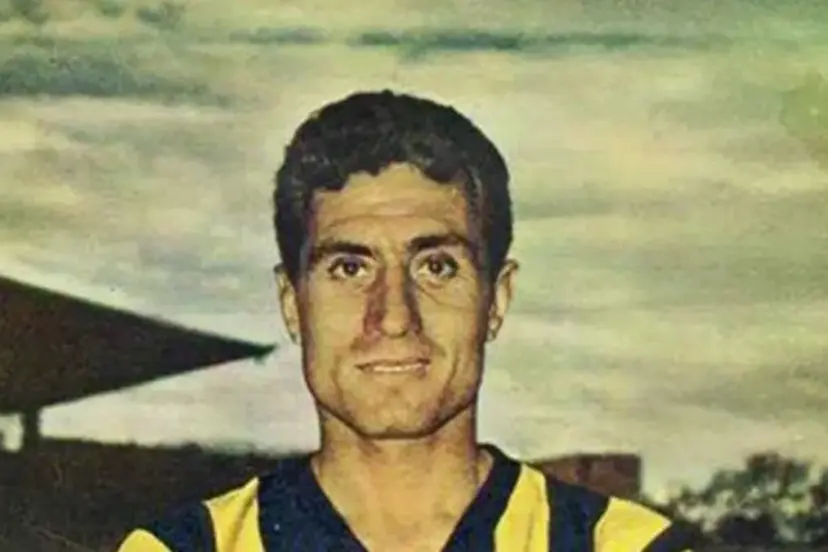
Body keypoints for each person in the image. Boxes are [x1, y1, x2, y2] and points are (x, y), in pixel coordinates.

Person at [117, 90, 697, 551]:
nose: (393, 316)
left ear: (496, 300)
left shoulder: (625, 547)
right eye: (349, 268)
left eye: (436, 267)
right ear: (293, 303)